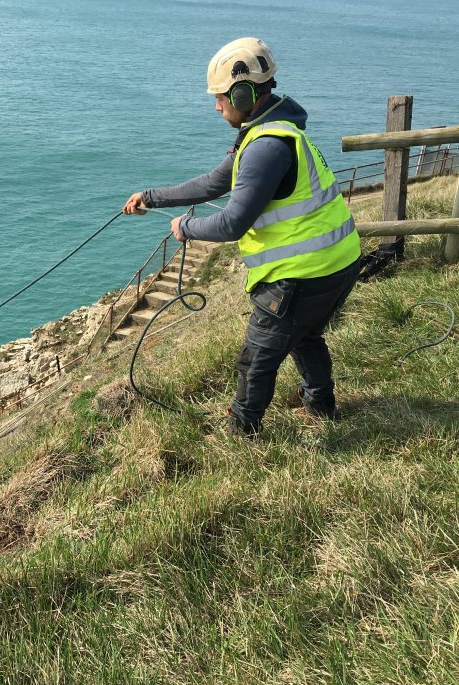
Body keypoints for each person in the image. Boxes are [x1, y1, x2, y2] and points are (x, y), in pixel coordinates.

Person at [123, 37, 361, 435]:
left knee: (256, 358)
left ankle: (242, 431)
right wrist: (151, 197)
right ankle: (320, 404)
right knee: (305, 336)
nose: (216, 106)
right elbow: (215, 183)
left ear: (243, 93)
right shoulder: (276, 132)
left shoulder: (266, 147)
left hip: (300, 275)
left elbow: (232, 223)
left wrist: (185, 228)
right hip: (338, 263)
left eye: (220, 97)